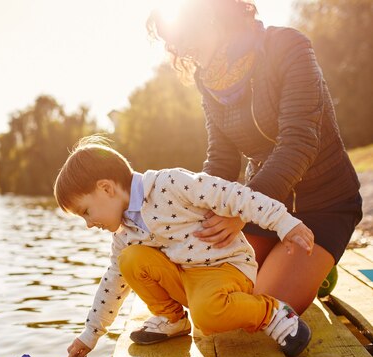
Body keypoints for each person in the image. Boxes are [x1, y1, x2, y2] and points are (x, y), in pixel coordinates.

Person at [145, 0, 362, 315]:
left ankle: (317, 265)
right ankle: (304, 264)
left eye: (187, 39)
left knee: (260, 307)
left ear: (211, 18)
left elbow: (299, 142)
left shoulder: (287, 45)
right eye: (178, 45)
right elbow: (221, 159)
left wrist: (242, 211)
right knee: (213, 290)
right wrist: (188, 213)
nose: (185, 51)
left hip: (324, 204)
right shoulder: (209, 81)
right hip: (261, 207)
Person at [55, 137, 314, 357]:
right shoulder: (125, 233)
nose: (89, 224)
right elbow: (112, 284)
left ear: (106, 188)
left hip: (224, 268)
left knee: (207, 316)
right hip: (187, 280)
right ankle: (172, 319)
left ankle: (272, 313)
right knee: (129, 260)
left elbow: (234, 195)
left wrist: (282, 222)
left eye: (86, 212)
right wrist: (90, 335)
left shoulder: (170, 184)